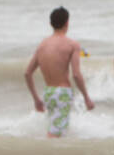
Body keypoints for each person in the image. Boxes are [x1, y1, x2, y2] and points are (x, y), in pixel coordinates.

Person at [25, 7, 95, 137]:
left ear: (51, 24)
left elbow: (27, 73)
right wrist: (86, 98)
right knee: (55, 134)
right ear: (67, 23)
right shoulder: (72, 45)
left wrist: (36, 99)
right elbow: (76, 74)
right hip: (62, 93)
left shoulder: (42, 45)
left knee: (56, 129)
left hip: (48, 93)